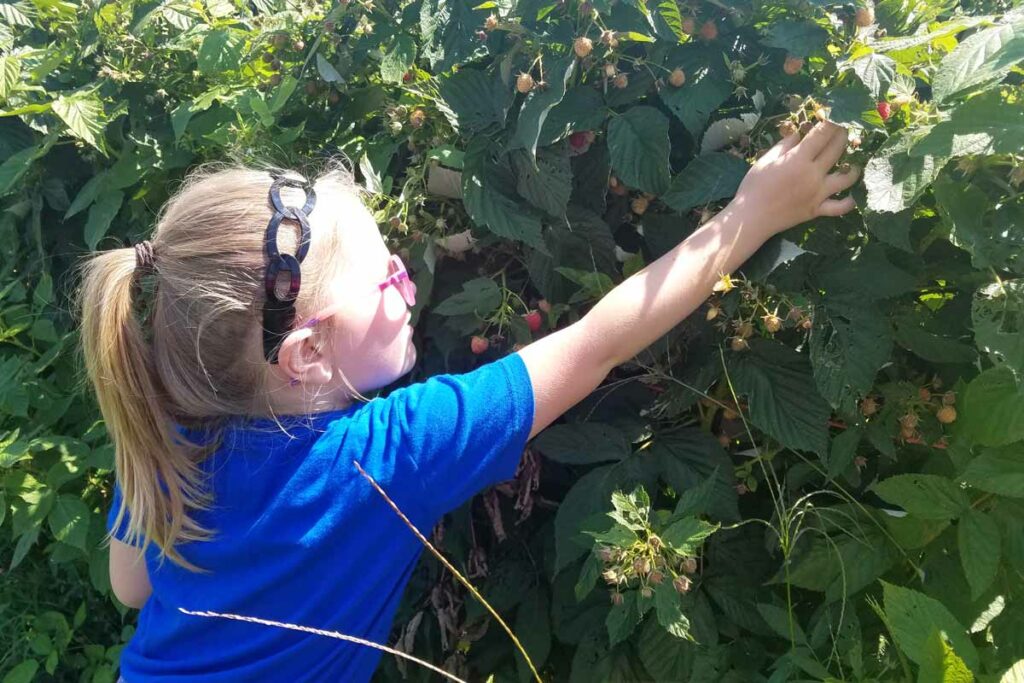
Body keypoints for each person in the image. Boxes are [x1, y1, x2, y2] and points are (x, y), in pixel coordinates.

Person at [76, 120, 858, 682]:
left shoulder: (172, 428)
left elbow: (129, 586)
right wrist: (753, 213)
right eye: (387, 276)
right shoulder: (390, 455)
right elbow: (598, 343)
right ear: (306, 352)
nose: (409, 280)